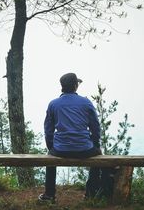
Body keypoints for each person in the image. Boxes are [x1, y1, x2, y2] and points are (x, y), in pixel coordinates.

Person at [38, 73, 102, 203]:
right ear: (75, 86)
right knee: (98, 157)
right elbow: (95, 127)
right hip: (84, 149)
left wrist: (52, 147)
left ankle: (49, 195)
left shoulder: (53, 104)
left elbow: (48, 130)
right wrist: (95, 145)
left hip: (60, 149)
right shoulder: (86, 102)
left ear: (62, 86)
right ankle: (91, 194)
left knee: (50, 157)